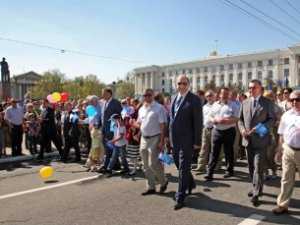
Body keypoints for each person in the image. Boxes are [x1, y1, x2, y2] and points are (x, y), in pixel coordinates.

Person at [238, 79, 275, 207]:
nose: (251, 90)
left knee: (258, 167)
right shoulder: (245, 102)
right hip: (247, 141)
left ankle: (256, 193)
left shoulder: (267, 103)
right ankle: (256, 186)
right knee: (251, 167)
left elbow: (272, 120)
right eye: (249, 87)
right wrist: (242, 130)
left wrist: (258, 128)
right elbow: (240, 120)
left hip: (261, 140)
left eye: (254, 87)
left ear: (260, 89)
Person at [169, 75, 202, 210]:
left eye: (184, 83)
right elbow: (171, 120)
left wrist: (197, 141)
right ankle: (191, 183)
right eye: (179, 83)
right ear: (176, 85)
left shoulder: (194, 99)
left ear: (188, 84)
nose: (181, 86)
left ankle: (180, 196)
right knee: (179, 164)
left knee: (183, 168)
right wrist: (168, 138)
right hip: (175, 140)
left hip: (188, 140)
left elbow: (198, 122)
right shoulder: (173, 98)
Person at [131, 89, 168, 196]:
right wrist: (134, 124)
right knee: (145, 165)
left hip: (155, 137)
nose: (146, 97)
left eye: (149, 95)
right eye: (145, 95)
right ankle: (151, 187)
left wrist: (162, 141)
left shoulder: (159, 108)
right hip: (144, 138)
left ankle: (163, 181)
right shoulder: (141, 109)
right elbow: (140, 123)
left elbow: (162, 126)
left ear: (153, 96)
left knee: (153, 163)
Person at [272, 90, 300, 215]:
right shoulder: (286, 115)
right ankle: (282, 205)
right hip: (288, 149)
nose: (294, 102)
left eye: (298, 100)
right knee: (286, 179)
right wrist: (279, 150)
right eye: (292, 100)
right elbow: (281, 134)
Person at [204, 88, 240, 181]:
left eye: (226, 94)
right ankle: (209, 173)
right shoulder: (215, 105)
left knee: (228, 152)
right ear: (219, 94)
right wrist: (214, 120)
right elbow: (210, 116)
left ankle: (229, 170)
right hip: (216, 131)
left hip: (229, 131)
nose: (224, 95)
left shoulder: (233, 105)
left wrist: (225, 121)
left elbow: (237, 118)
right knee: (214, 152)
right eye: (223, 94)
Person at [193, 90, 215, 173]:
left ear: (214, 96)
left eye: (210, 95)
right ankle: (201, 166)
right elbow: (202, 118)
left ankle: (215, 166)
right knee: (203, 148)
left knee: (215, 149)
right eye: (207, 96)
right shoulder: (204, 107)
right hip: (205, 129)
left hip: (215, 129)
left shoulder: (217, 106)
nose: (209, 97)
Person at [100, 88, 122, 173]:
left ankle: (107, 165)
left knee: (110, 148)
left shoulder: (115, 103)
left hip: (112, 129)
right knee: (108, 148)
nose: (103, 95)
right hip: (104, 129)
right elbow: (102, 116)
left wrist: (117, 127)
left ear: (109, 94)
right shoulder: (104, 103)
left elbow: (120, 115)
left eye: (104, 93)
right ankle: (116, 165)